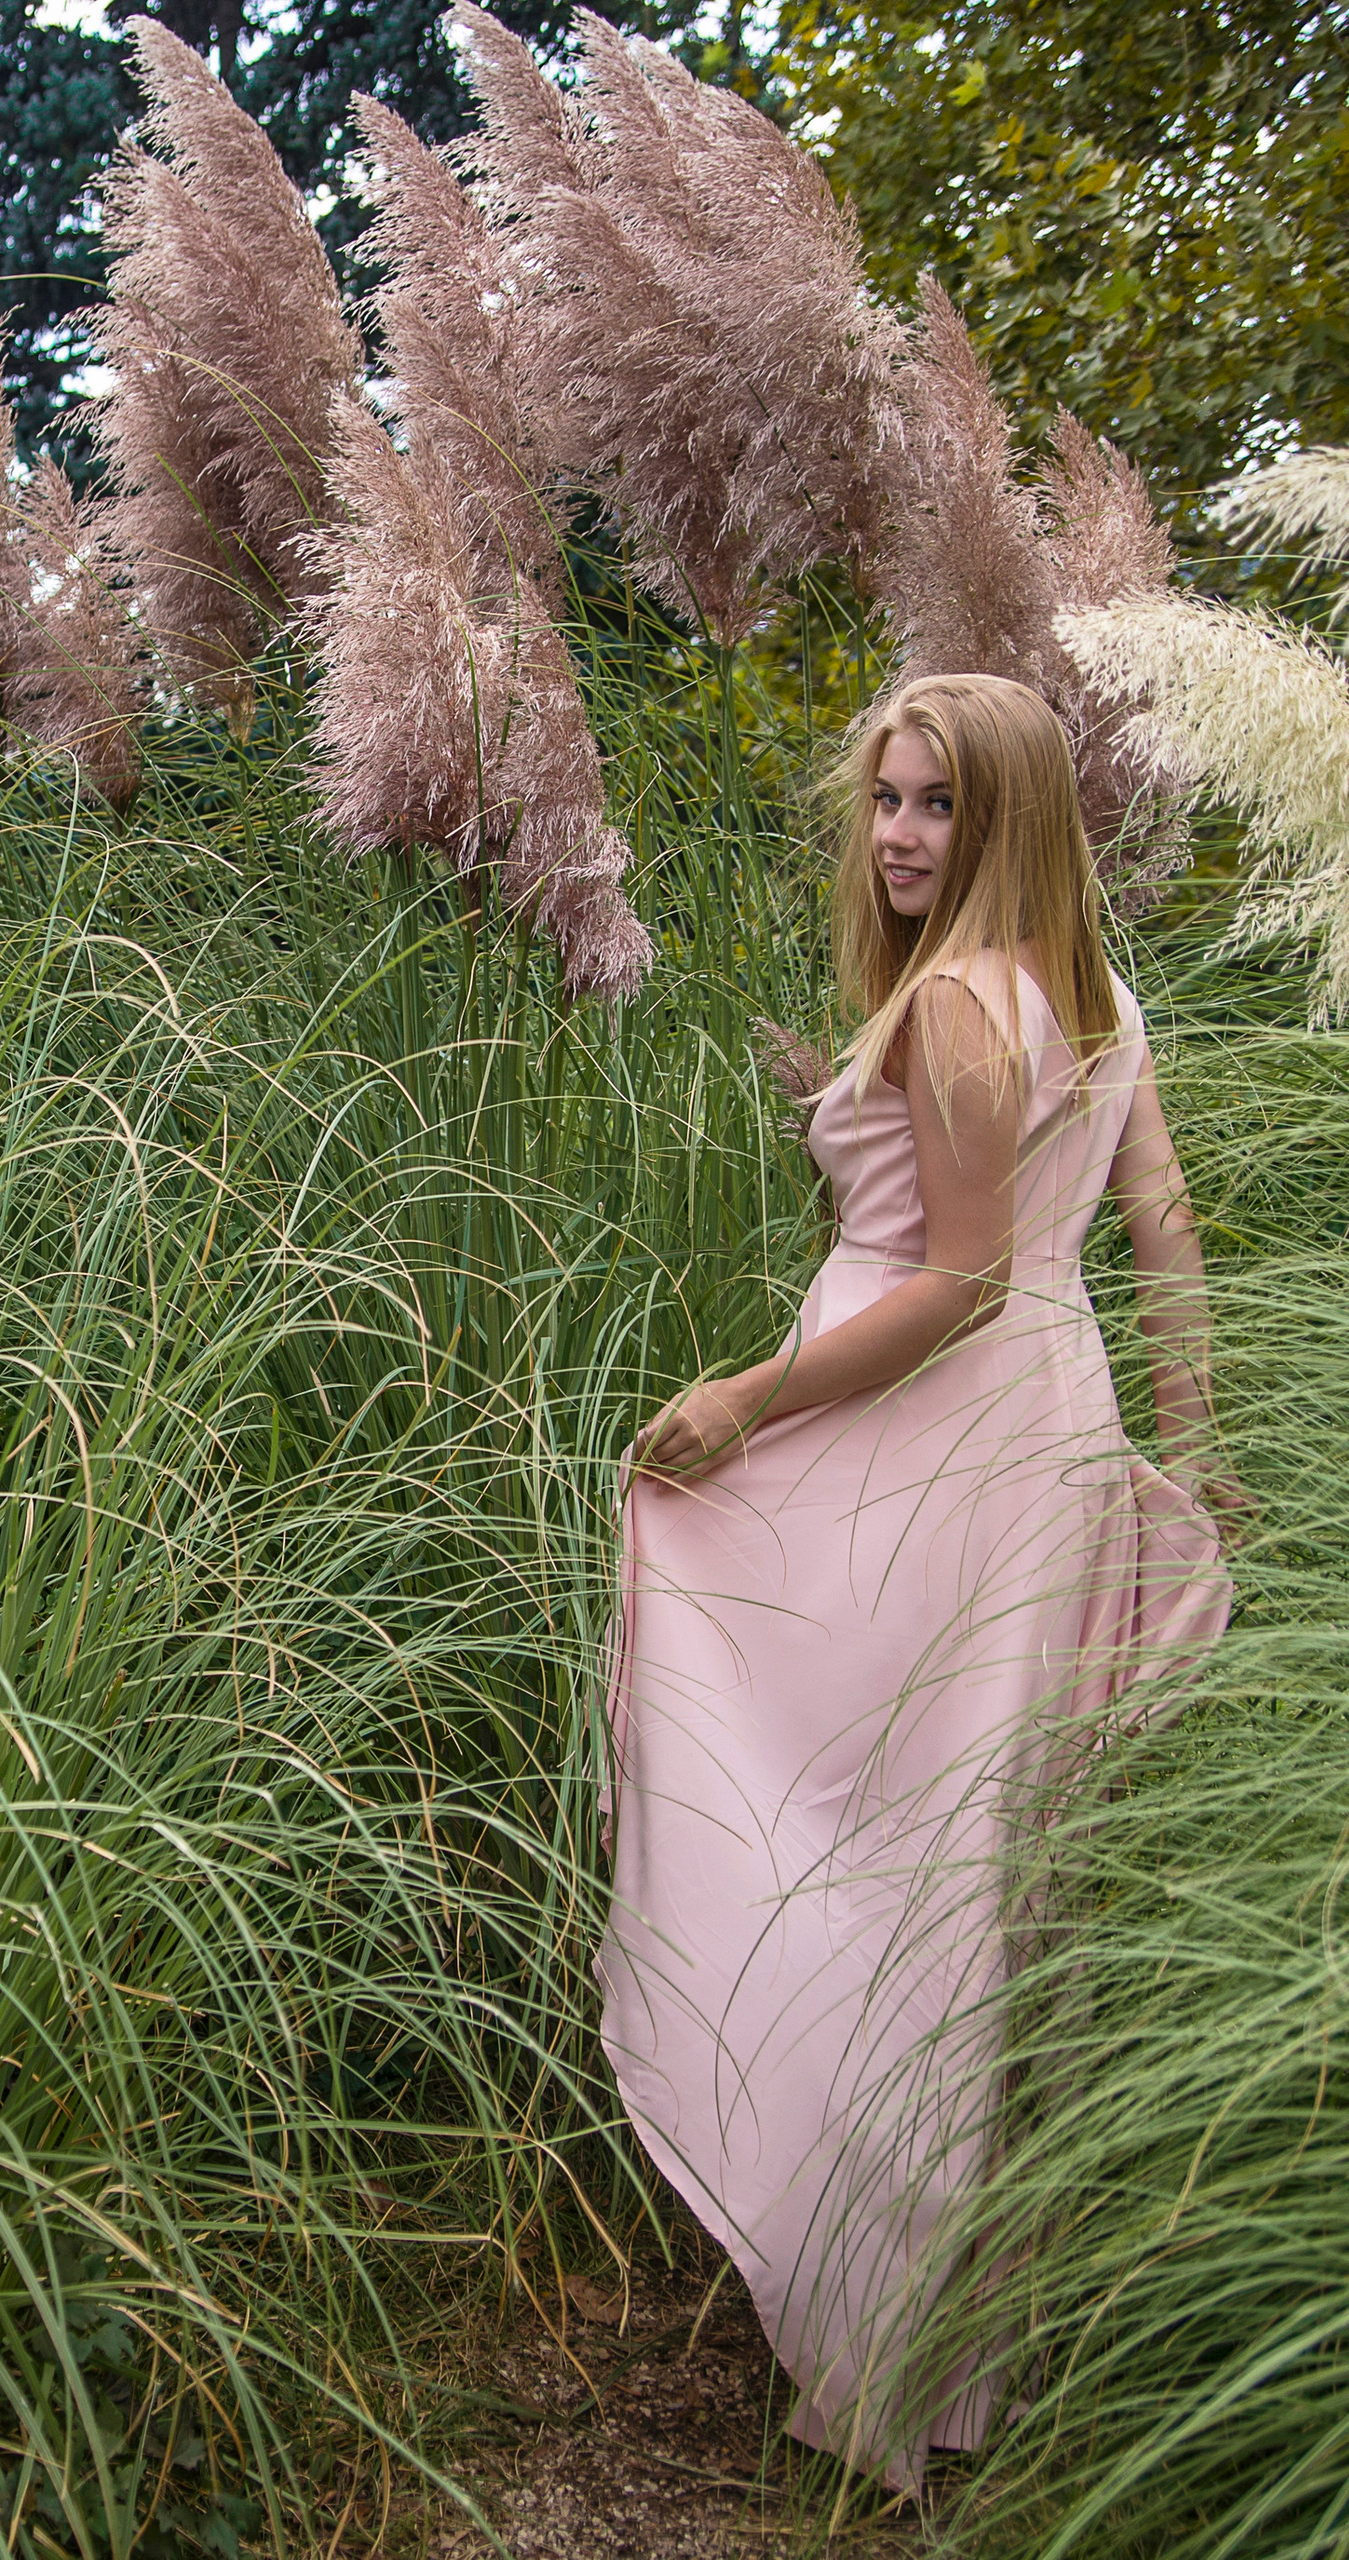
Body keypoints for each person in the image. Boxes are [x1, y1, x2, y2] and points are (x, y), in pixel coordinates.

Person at [599, 672, 1239, 2491]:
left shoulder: (962, 1006)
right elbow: (1156, 1232)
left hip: (921, 1428)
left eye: (938, 806)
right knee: (975, 1856)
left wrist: (748, 1394)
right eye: (886, 799)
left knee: (870, 1837)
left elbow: (949, 1276)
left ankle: (874, 2312)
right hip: (1048, 1429)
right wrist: (1181, 1457)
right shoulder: (1096, 1000)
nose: (895, 834)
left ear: (1011, 816)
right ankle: (955, 2322)